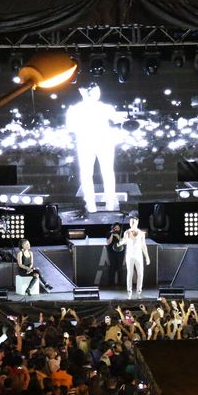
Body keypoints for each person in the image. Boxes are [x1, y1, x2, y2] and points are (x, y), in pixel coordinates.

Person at [66, 83, 124, 212]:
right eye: (96, 91)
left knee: (88, 174)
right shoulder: (104, 108)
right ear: (87, 92)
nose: (98, 93)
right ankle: (108, 203)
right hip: (101, 142)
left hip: (87, 142)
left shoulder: (75, 109)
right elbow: (118, 120)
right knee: (106, 172)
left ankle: (92, 204)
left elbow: (71, 128)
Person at [118, 214, 150, 298]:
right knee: (130, 273)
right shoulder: (127, 232)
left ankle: (139, 291)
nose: (132, 223)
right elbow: (124, 241)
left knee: (140, 274)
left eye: (134, 222)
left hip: (138, 255)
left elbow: (143, 246)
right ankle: (129, 290)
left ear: (137, 222)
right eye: (131, 222)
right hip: (130, 256)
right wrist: (120, 243)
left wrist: (147, 257)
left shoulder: (141, 233)